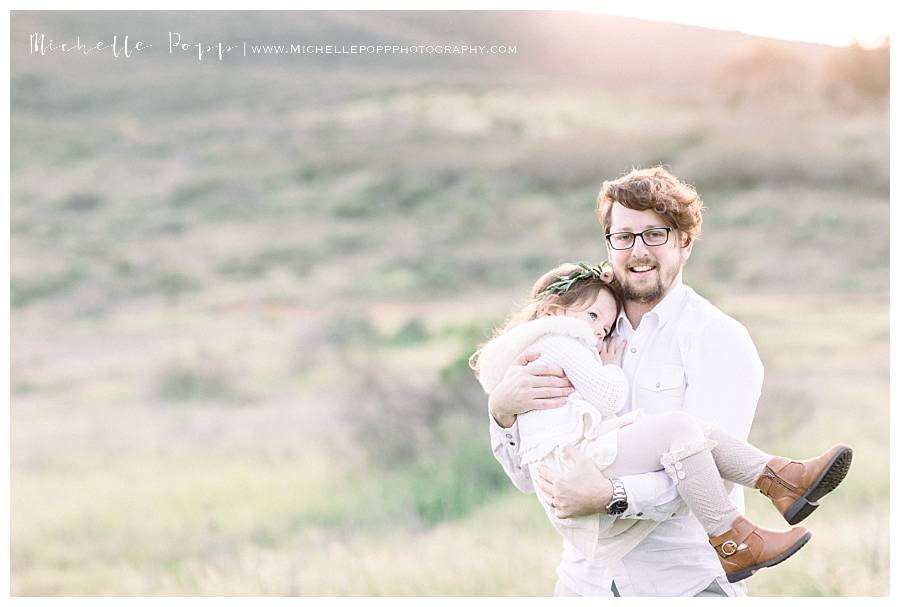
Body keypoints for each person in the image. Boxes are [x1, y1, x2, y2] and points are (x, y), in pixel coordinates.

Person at [486, 166, 833, 596]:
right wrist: (502, 412)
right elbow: (526, 478)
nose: (638, 250)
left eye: (655, 234)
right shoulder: (576, 333)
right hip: (585, 585)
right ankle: (783, 478)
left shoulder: (718, 338)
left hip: (683, 584)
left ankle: (777, 484)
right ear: (609, 243)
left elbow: (707, 476)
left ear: (684, 242)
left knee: (688, 436)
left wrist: (610, 494)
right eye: (624, 236)